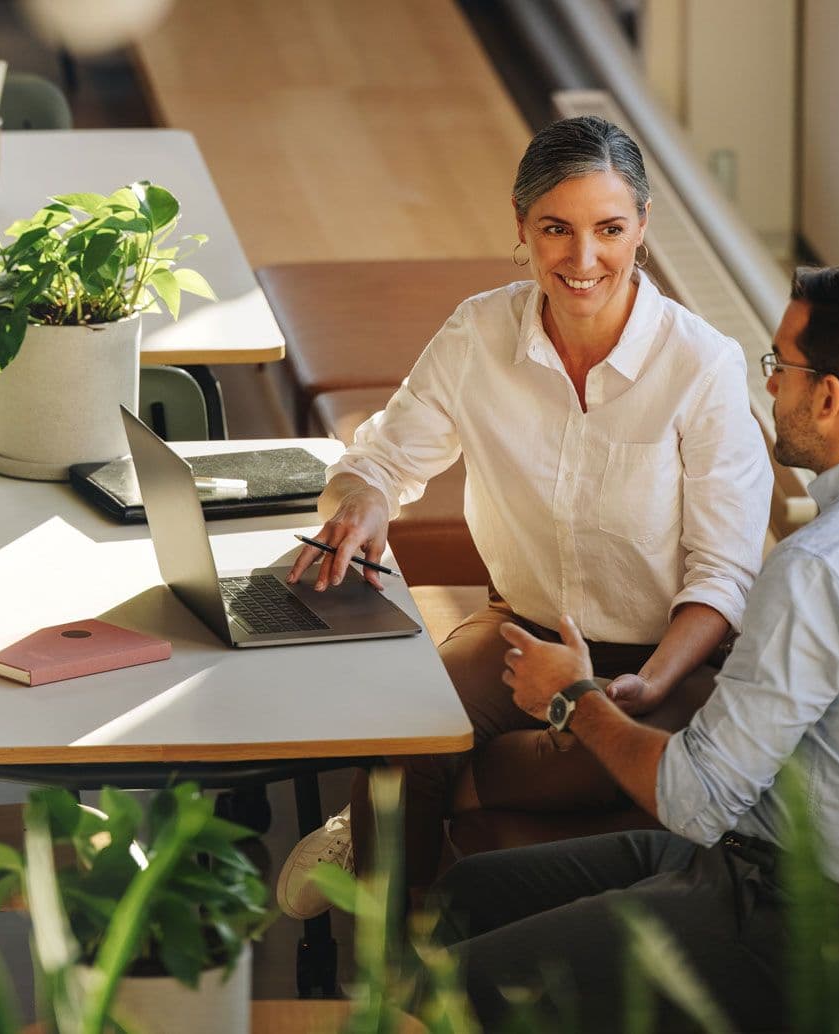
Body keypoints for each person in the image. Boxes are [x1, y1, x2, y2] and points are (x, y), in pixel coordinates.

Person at [432, 267, 839, 1028]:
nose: (769, 386)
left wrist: (573, 697)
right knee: (466, 893)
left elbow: (690, 797)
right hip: (759, 866)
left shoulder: (819, 567)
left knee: (449, 988)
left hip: (793, 926)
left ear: (830, 397)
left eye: (779, 366)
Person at [275, 115, 775, 915]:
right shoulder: (479, 333)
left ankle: (431, 797)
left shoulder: (701, 366)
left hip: (666, 657)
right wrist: (364, 502)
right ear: (521, 227)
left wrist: (640, 687)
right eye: (556, 229)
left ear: (642, 228)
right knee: (403, 727)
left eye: (610, 229)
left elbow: (724, 576)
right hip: (520, 633)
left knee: (598, 754)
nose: (584, 260)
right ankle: (388, 981)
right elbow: (380, 460)